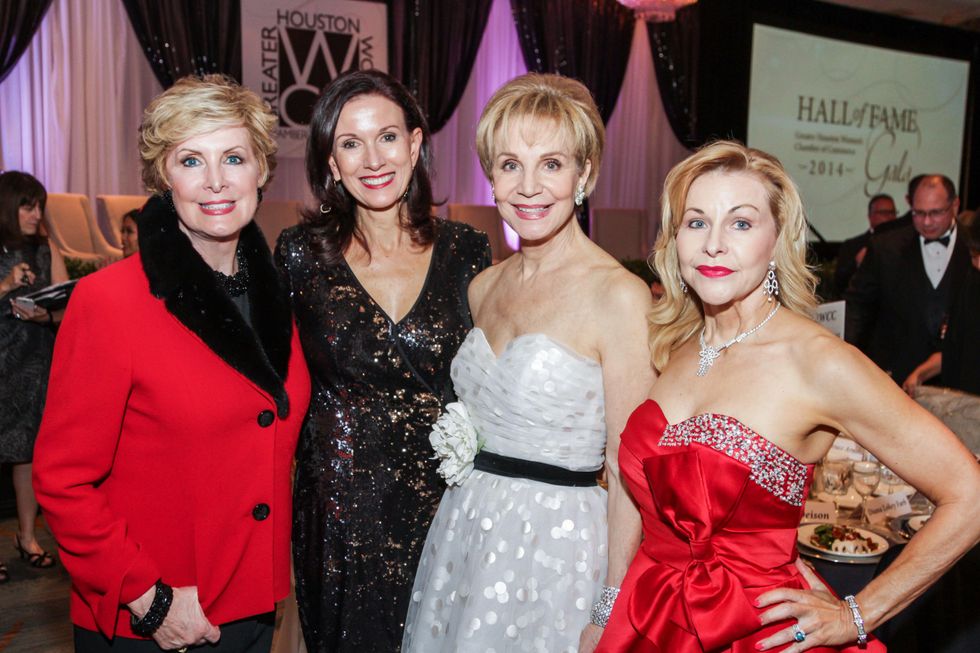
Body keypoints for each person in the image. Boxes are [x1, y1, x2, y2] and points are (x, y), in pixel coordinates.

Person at [594, 141, 980, 652]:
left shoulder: (817, 361)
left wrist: (857, 615)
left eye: (741, 223)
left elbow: (970, 496)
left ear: (777, 240)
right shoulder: (671, 345)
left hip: (753, 635)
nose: (714, 243)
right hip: (644, 621)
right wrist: (605, 611)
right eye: (695, 222)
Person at [32, 75, 311, 652]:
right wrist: (149, 599)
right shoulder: (108, 301)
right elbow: (62, 481)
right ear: (164, 177)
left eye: (233, 157)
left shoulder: (283, 296)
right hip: (154, 618)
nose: (215, 181)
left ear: (261, 169)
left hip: (253, 607)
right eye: (191, 160)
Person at [402, 73, 655, 653]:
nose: (529, 186)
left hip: (557, 552)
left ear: (584, 175)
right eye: (510, 164)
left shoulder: (618, 297)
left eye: (552, 164)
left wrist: (610, 601)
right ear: (491, 176)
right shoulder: (483, 288)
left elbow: (627, 471)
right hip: (465, 534)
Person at [277, 69, 492, 652]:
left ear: (416, 144)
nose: (373, 158)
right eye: (350, 143)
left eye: (388, 137)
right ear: (330, 161)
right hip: (339, 514)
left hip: (446, 504)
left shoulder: (469, 252)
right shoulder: (298, 256)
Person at [0, 170, 68, 584]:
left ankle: (27, 538)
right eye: (28, 205)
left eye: (39, 205)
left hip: (34, 362)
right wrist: (5, 284)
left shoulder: (46, 249)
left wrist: (47, 313)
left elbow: (66, 301)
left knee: (27, 453)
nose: (36, 213)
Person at [844, 174, 971, 384]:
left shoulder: (973, 248)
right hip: (896, 378)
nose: (927, 222)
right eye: (919, 213)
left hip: (960, 379)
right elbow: (857, 308)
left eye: (936, 213)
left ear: (955, 206)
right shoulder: (885, 247)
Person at [902, 210, 980, 396]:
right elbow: (953, 350)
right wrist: (920, 374)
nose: (978, 264)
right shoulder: (972, 285)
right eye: (974, 256)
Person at [833, 193, 896, 296]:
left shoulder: (902, 245)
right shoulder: (852, 245)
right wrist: (856, 263)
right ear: (870, 216)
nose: (890, 217)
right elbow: (839, 283)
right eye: (884, 213)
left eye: (892, 212)